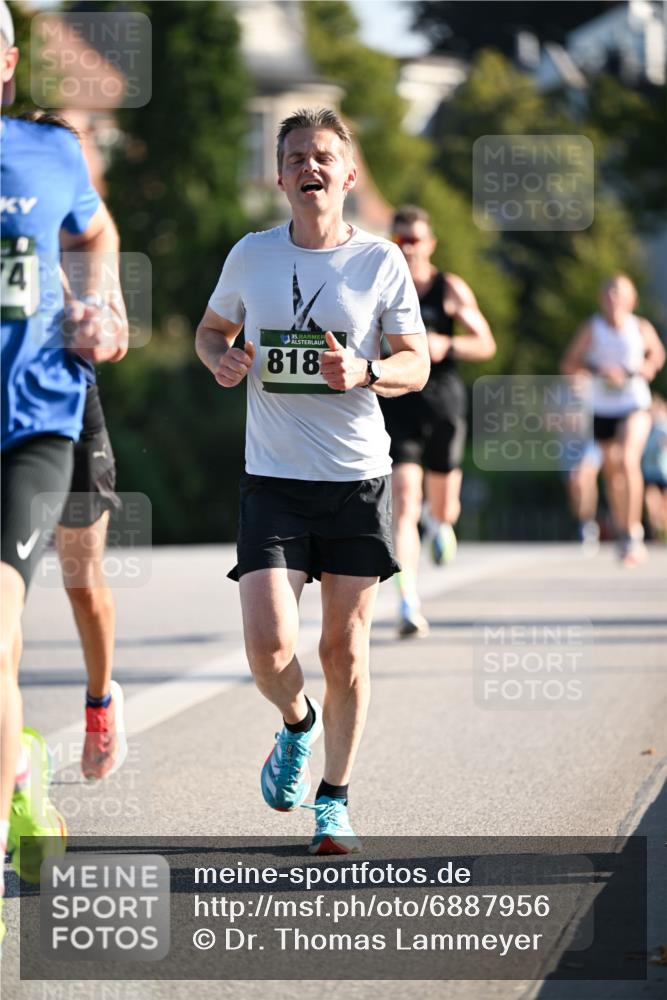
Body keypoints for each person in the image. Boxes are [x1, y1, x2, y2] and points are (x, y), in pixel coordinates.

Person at [196, 108, 429, 854]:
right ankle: (297, 724)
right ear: (280, 176)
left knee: (344, 652)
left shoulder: (381, 261)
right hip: (273, 477)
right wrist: (220, 359)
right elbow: (212, 330)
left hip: (355, 480)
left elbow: (415, 362)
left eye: (324, 155)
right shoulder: (251, 255)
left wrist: (365, 370)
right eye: (296, 156)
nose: (310, 166)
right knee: (268, 646)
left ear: (349, 175)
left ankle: (334, 799)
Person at [0, 0, 127, 947]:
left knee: (80, 581)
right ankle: (21, 787)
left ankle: (95, 695)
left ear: (6, 66)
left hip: (38, 416)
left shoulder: (49, 151)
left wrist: (103, 305)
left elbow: (96, 234)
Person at [379, 206, 496, 637]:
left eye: (416, 240)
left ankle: (441, 522)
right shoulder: (382, 289)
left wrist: (448, 343)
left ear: (430, 244)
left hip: (444, 405)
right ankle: (408, 600)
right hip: (397, 405)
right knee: (404, 502)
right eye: (401, 240)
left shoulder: (449, 289)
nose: (408, 248)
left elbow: (485, 343)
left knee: (444, 506)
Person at [561, 274, 665, 565]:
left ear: (631, 300)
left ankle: (634, 532)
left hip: (634, 404)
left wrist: (647, 367)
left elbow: (657, 354)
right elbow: (570, 364)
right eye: (608, 293)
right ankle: (623, 527)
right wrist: (592, 375)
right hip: (601, 409)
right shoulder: (592, 329)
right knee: (612, 473)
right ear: (601, 299)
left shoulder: (640, 327)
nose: (613, 299)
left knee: (628, 460)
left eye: (619, 293)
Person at [642, 394, 667, 542]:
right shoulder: (646, 428)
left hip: (663, 472)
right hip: (651, 471)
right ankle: (657, 531)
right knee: (652, 501)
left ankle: (662, 529)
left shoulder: (662, 427)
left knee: (662, 504)